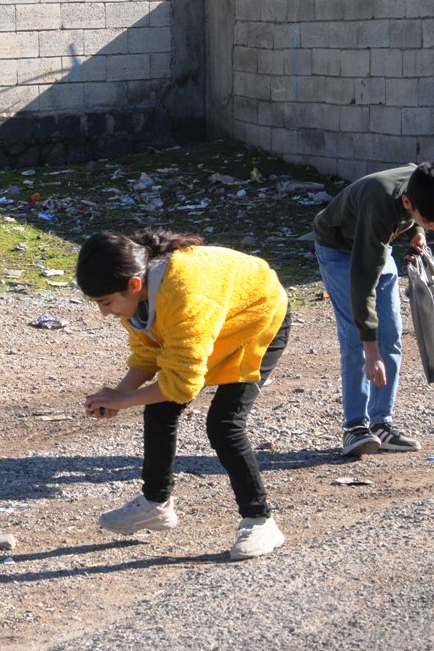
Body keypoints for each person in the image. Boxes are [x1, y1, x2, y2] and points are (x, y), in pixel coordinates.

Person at [77, 230, 290, 560]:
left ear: (134, 284)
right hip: (218, 319)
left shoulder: (184, 293)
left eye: (106, 303)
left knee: (224, 424)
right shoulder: (139, 296)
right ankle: (156, 504)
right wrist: (119, 394)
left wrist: (122, 400)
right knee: (160, 410)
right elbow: (149, 355)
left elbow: (182, 384)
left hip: (257, 316)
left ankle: (260, 520)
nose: (105, 313)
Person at [313, 162, 434, 457]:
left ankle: (382, 423)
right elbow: (362, 283)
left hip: (377, 243)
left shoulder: (423, 180)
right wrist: (371, 353)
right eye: (430, 220)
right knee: (358, 337)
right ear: (407, 202)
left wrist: (418, 230)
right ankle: (355, 427)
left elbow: (416, 216)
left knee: (391, 332)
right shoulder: (379, 207)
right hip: (339, 247)